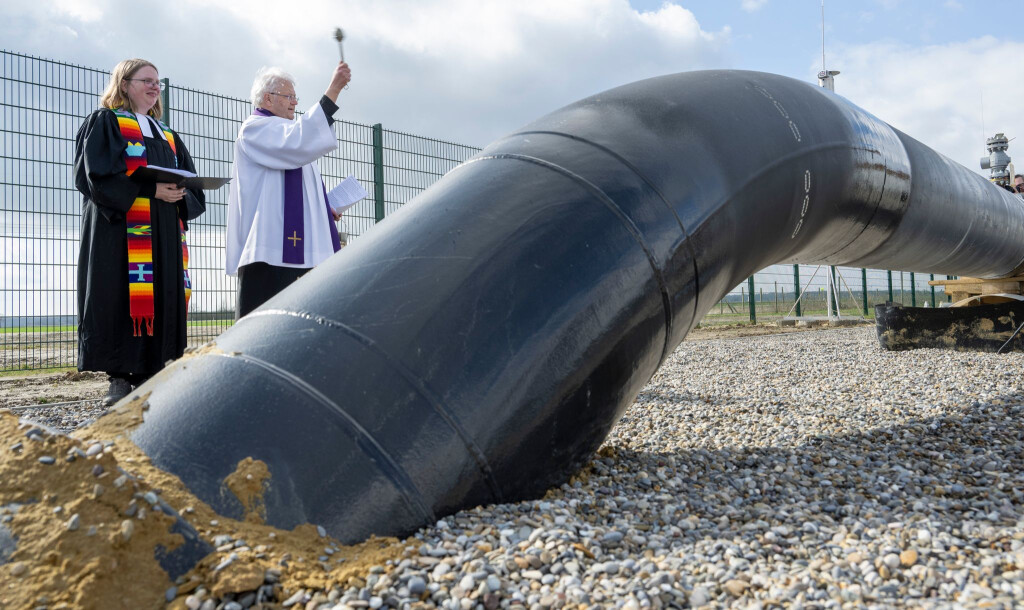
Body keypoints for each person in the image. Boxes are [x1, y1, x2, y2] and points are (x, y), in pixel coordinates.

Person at [74, 59, 206, 406]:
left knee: (163, 293)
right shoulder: (106, 123)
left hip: (164, 232)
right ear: (124, 84)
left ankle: (154, 372)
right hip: (121, 234)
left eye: (157, 82)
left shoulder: (167, 135)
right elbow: (96, 177)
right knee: (119, 294)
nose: (154, 87)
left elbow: (190, 183)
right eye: (146, 80)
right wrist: (150, 191)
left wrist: (180, 194)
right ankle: (119, 378)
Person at [226, 62, 352, 319]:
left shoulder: (286, 132)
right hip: (269, 247)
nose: (294, 102)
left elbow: (300, 167)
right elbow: (297, 142)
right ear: (267, 98)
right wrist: (333, 90)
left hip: (306, 246)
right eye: (289, 96)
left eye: (295, 97)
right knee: (262, 323)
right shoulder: (255, 129)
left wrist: (322, 209)